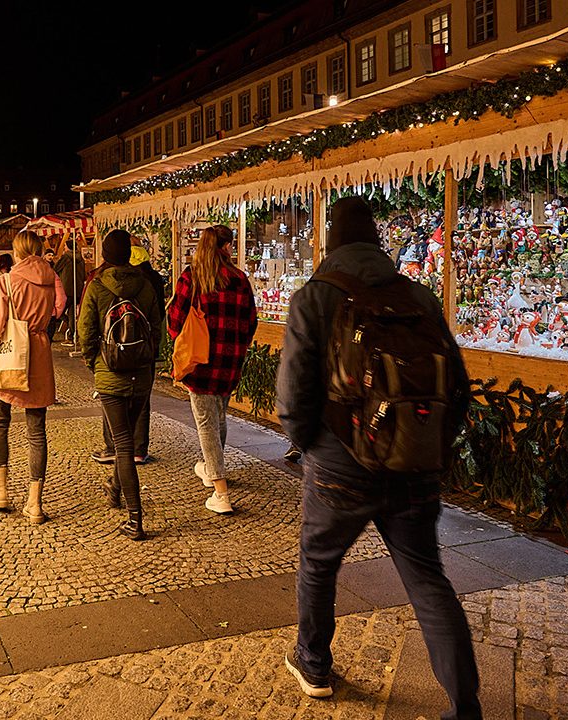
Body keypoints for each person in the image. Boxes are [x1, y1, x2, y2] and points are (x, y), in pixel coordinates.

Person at [277, 197, 479, 715]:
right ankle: (465, 705)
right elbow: (457, 386)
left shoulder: (315, 297)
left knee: (319, 564)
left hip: (341, 465)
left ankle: (314, 663)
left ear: (331, 244)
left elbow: (292, 399)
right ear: (376, 240)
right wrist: (426, 444)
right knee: (427, 577)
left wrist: (311, 446)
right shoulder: (418, 296)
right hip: (414, 462)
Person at [78, 229, 163, 540]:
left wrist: (95, 364)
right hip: (141, 373)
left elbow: (85, 332)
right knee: (127, 432)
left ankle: (135, 518)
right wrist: (147, 360)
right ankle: (115, 489)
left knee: (122, 445)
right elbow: (157, 328)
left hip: (111, 374)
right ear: (129, 254)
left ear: (105, 255)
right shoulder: (145, 285)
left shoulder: (97, 286)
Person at [167, 225, 257, 515]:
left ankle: (221, 492)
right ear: (225, 247)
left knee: (207, 423)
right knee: (218, 417)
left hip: (201, 362)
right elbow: (251, 321)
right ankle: (210, 468)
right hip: (230, 361)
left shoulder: (192, 279)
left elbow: (174, 320)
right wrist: (236, 346)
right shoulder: (240, 280)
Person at [0, 231, 66, 523]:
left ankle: (1, 488)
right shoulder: (51, 278)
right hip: (39, 351)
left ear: (17, 252)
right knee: (36, 430)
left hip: (11, 351)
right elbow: (59, 308)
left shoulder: (6, 281)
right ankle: (35, 502)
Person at [91, 242, 166, 466]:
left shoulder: (98, 283)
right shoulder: (148, 283)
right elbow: (157, 320)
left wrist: (91, 359)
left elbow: (86, 326)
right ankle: (139, 449)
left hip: (109, 355)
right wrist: (150, 350)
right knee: (141, 403)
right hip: (142, 355)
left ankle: (113, 448)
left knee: (111, 399)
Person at [54, 239, 87, 344]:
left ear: (67, 247)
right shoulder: (81, 258)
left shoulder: (65, 257)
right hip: (78, 289)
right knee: (72, 313)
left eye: (64, 246)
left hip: (67, 290)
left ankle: (69, 326)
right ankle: (72, 336)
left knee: (59, 312)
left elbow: (55, 269)